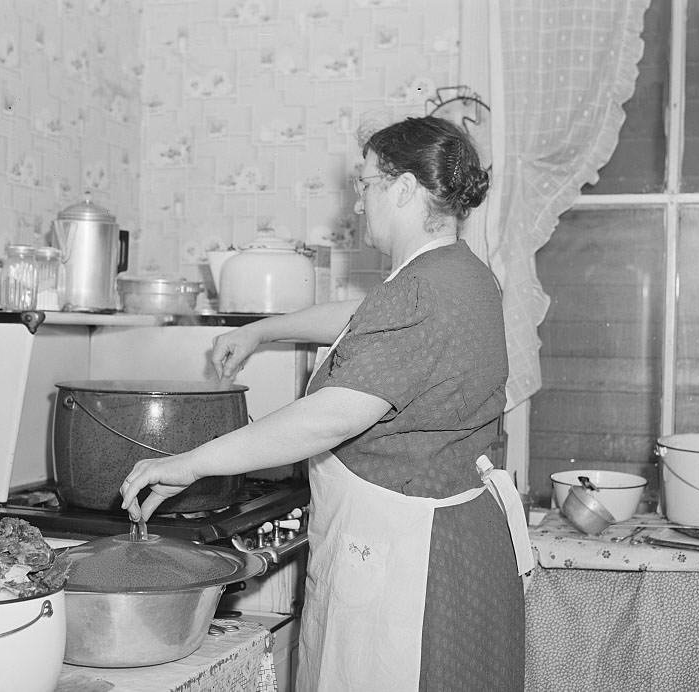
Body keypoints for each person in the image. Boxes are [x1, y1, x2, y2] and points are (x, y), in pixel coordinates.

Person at [120, 115, 531, 692]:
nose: (358, 203)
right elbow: (361, 319)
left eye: (366, 184)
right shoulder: (456, 274)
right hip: (450, 537)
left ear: (405, 188)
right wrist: (265, 330)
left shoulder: (425, 288)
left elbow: (329, 418)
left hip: (413, 558)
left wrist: (188, 463)